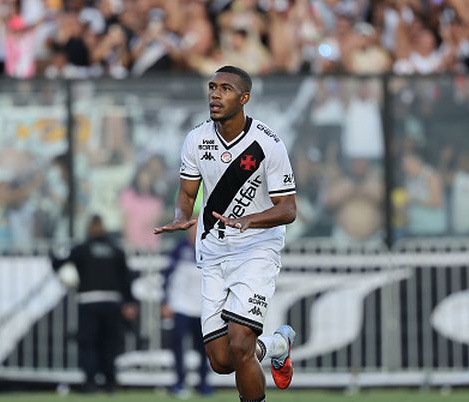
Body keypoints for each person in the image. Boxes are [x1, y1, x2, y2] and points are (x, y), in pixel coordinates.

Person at [154, 66, 297, 402]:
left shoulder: (267, 143)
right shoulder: (196, 139)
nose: (215, 95)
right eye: (212, 87)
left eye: (226, 89)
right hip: (214, 253)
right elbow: (187, 194)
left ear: (244, 98)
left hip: (257, 249)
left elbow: (289, 208)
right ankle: (277, 345)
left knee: (240, 344)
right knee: (221, 361)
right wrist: (180, 217)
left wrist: (251, 220)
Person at [52, 215, 138, 393]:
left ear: (89, 228)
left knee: (89, 344)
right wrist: (129, 302)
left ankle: (90, 383)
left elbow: (59, 264)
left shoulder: (82, 249)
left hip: (89, 301)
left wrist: (51, 255)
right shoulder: (115, 250)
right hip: (112, 302)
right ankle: (109, 382)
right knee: (109, 344)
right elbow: (126, 279)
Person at [161, 223, 212, 397]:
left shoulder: (210, 249)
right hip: (180, 305)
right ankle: (179, 382)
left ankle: (204, 384)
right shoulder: (179, 249)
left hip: (202, 307)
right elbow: (167, 276)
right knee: (178, 345)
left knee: (204, 348)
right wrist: (166, 302)